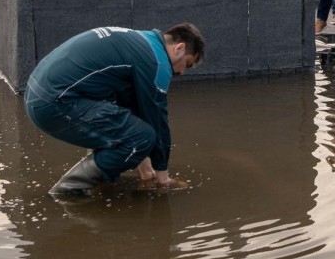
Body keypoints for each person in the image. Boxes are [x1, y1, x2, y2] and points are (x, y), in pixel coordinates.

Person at [24, 23, 205, 194]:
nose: (181, 72)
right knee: (142, 137)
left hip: (38, 93)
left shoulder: (142, 41)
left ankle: (99, 182)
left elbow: (134, 110)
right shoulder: (158, 62)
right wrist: (163, 178)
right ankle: (66, 191)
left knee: (130, 130)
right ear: (179, 48)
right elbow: (157, 121)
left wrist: (145, 167)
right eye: (187, 64)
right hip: (53, 103)